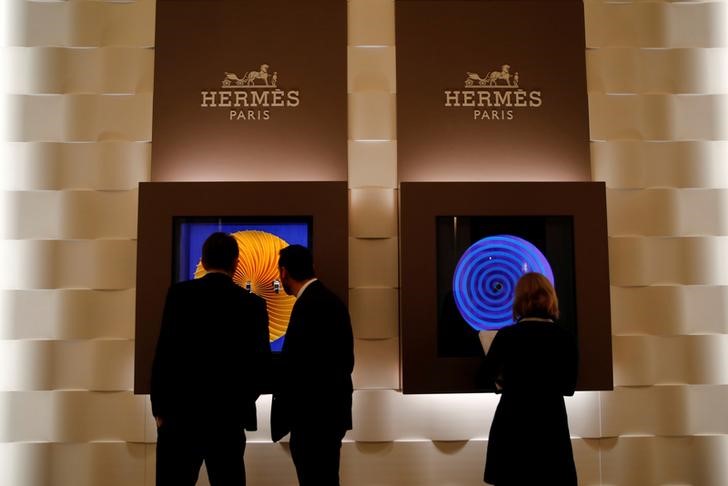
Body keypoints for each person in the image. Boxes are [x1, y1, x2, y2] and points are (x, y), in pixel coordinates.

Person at [151, 232, 271, 486]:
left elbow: (165, 354)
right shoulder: (253, 306)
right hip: (227, 420)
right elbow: (260, 367)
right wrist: (239, 403)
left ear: (203, 262)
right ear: (236, 263)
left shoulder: (179, 295)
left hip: (180, 418)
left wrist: (160, 409)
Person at [481, 272, 578, 486]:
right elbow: (569, 386)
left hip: (513, 424)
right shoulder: (565, 337)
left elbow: (484, 377)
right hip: (551, 426)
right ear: (551, 298)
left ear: (519, 301)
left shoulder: (506, 336)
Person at [271, 244, 354, 486]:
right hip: (329, 416)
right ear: (312, 267)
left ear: (284, 273)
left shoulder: (308, 305)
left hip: (312, 420)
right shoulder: (331, 301)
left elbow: (298, 365)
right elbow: (346, 361)